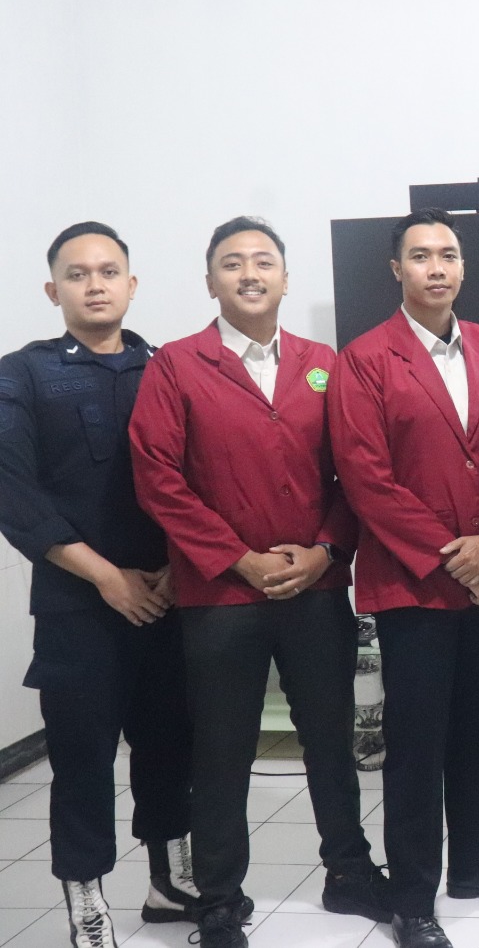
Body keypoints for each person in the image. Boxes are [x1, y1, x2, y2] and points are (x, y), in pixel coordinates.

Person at [128, 217, 390, 948]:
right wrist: (238, 558)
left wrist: (326, 551)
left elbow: (355, 473)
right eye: (232, 263)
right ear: (210, 281)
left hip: (314, 591)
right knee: (222, 750)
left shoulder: (323, 364)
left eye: (264, 261)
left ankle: (349, 872)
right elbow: (158, 479)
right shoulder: (176, 366)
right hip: (220, 597)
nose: (249, 274)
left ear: (285, 278)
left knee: (331, 742)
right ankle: (219, 898)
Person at [329, 208, 479, 948]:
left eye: (448, 255)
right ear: (396, 268)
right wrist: (457, 558)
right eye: (420, 255)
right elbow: (366, 479)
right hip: (415, 586)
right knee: (417, 747)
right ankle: (413, 896)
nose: (436, 267)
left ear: (462, 267)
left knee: (478, 731)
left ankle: (477, 864)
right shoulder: (365, 359)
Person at [0, 223, 195, 948]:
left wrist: (177, 567)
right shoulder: (22, 374)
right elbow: (14, 491)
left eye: (109, 271)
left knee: (170, 746)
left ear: (132, 284)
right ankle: (87, 902)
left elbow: (203, 475)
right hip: (77, 606)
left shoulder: (169, 367)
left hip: (170, 597)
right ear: (53, 290)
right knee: (82, 762)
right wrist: (108, 577)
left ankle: (171, 883)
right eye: (77, 274)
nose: (95, 285)